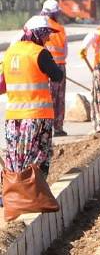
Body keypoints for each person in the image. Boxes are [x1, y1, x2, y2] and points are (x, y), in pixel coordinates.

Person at [3, 16, 64, 178]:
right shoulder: (40, 53)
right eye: (46, 33)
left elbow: (1, 85)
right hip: (37, 117)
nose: (49, 37)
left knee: (15, 157)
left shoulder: (9, 53)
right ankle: (34, 195)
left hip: (13, 119)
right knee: (37, 158)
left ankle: (13, 192)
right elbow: (57, 76)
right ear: (37, 33)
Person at [39, 0, 68, 137]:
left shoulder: (36, 26)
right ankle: (58, 128)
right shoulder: (61, 29)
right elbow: (65, 51)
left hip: (42, 67)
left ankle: (45, 129)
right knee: (58, 99)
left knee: (46, 98)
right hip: (59, 66)